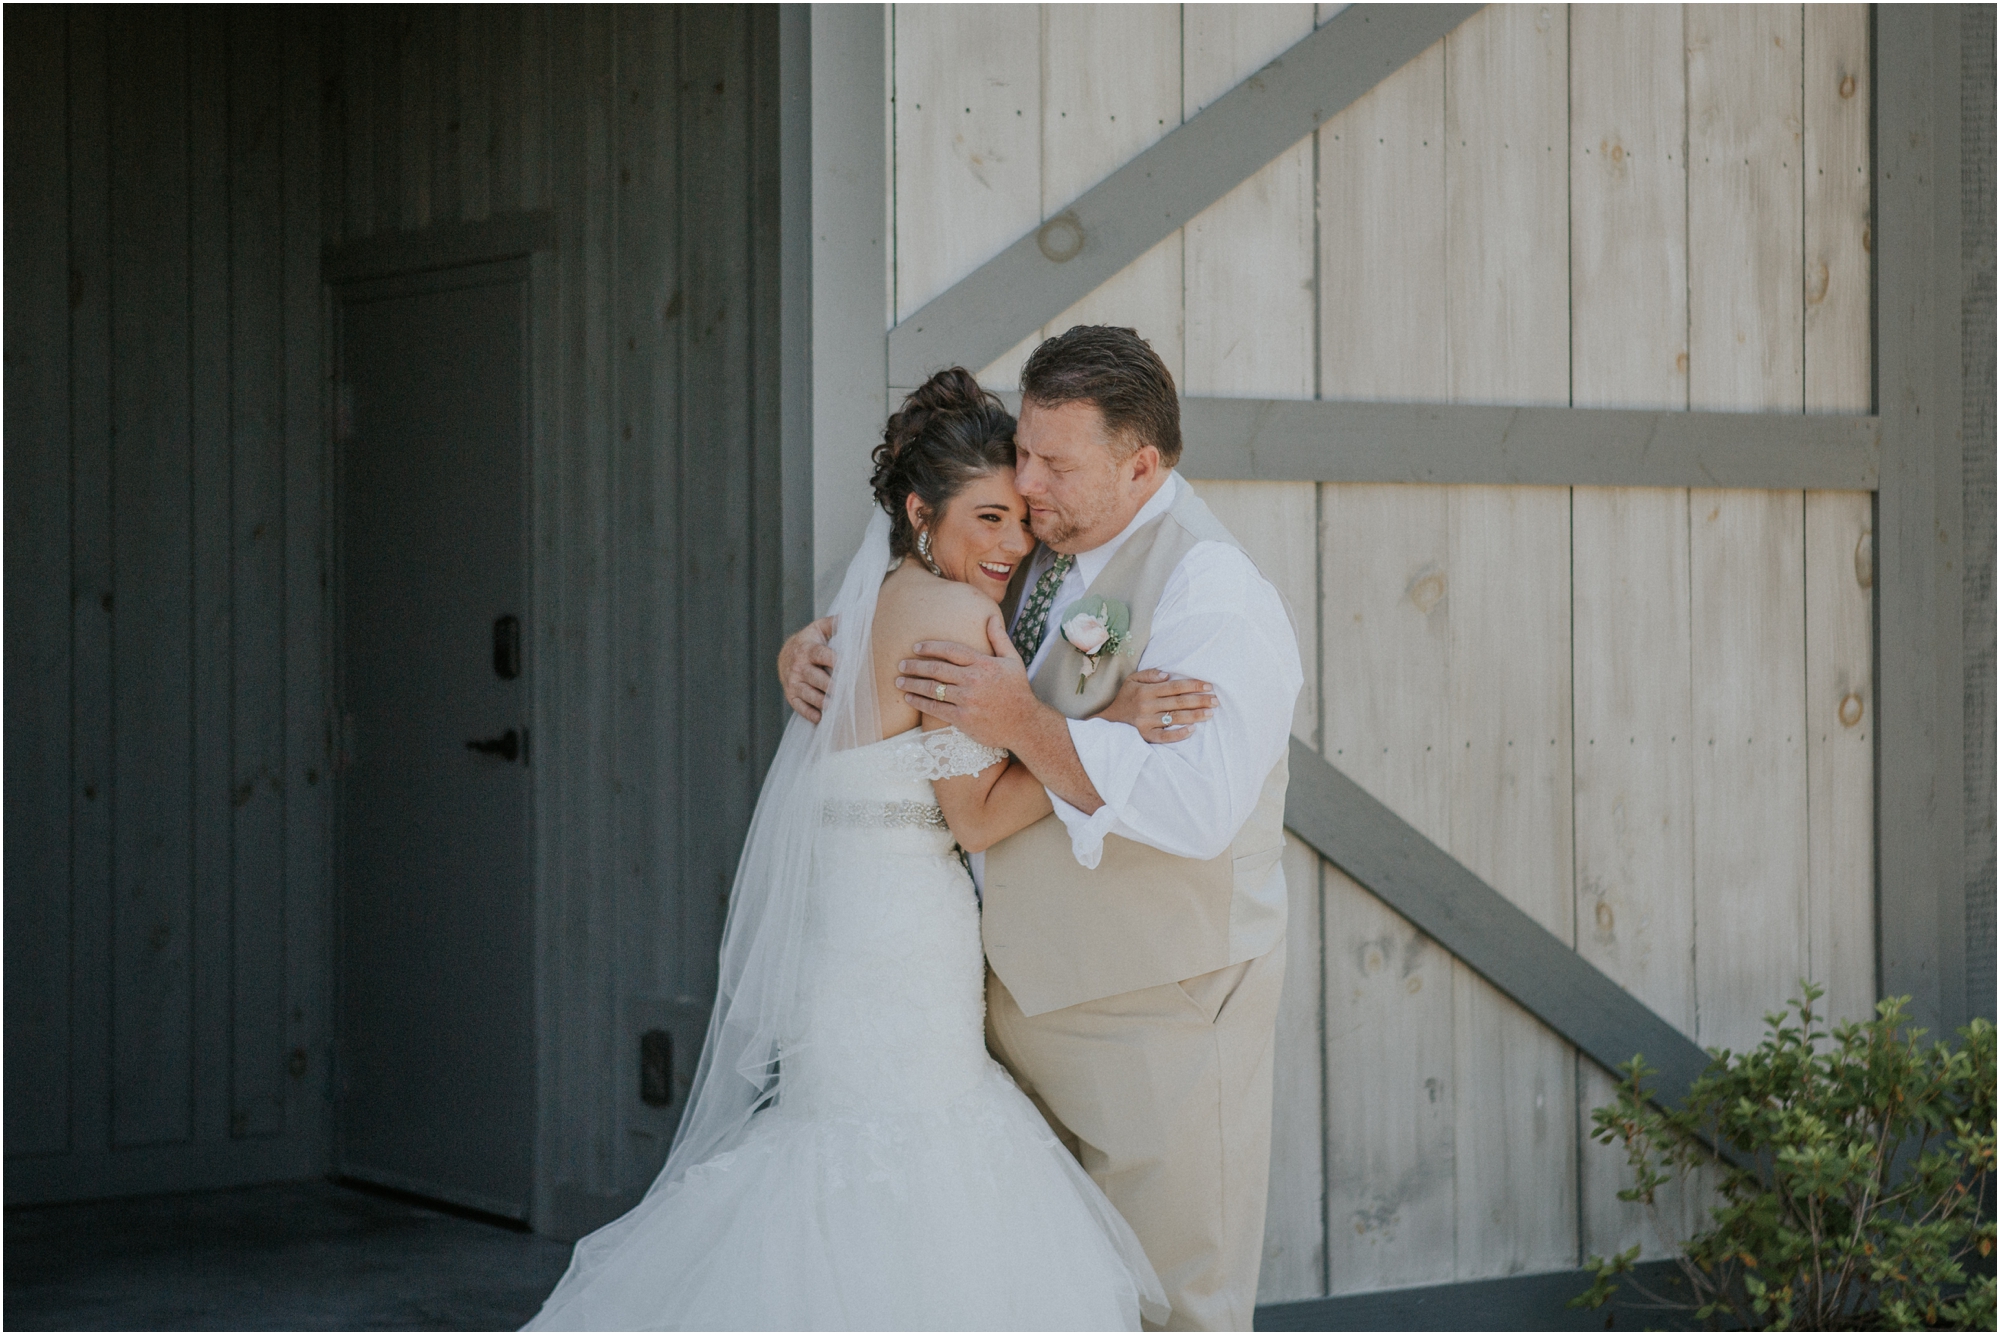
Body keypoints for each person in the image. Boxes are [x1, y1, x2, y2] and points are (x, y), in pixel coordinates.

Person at [524, 368, 1204, 1331]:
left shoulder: (873, 601)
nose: (1013, 543)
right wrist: (1108, 739)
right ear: (923, 514)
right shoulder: (958, 618)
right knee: (917, 1168)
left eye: (1019, 517)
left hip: (847, 929)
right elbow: (974, 817)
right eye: (988, 520)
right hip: (900, 938)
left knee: (833, 1156)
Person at [779, 327, 1303, 1332]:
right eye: (1022, 451)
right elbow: (903, 647)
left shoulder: (1213, 592)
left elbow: (1195, 809)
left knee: (1170, 1308)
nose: (1025, 484)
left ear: (1140, 463)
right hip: (999, 1009)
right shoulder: (1029, 550)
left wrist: (1028, 721)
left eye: (1053, 463)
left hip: (1159, 1014)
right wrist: (802, 652)